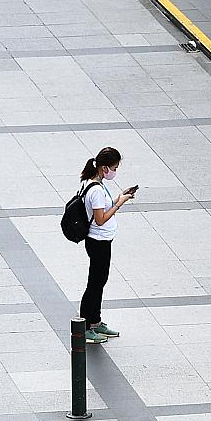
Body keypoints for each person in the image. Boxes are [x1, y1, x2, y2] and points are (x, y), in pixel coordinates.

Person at [78, 146, 135, 345]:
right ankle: (85, 326)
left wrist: (120, 196)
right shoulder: (95, 189)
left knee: (100, 281)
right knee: (95, 283)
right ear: (104, 168)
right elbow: (100, 219)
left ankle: (95, 321)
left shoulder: (98, 184)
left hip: (102, 241)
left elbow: (103, 208)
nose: (115, 172)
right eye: (114, 168)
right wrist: (120, 205)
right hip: (97, 242)